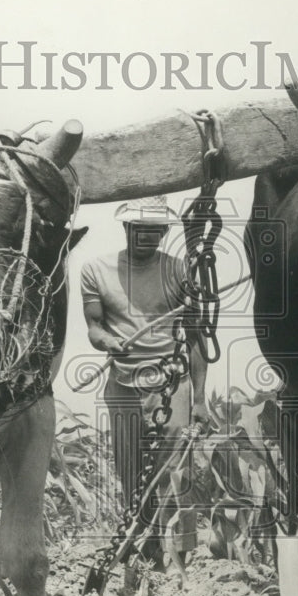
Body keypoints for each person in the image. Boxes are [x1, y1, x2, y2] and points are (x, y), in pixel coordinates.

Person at [80, 196, 208, 570]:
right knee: (131, 470)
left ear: (164, 232)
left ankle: (177, 556)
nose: (148, 237)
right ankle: (142, 547)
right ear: (126, 229)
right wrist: (107, 341)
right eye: (141, 230)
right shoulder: (95, 270)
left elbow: (197, 335)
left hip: (171, 384)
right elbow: (94, 327)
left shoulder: (180, 271)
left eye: (156, 231)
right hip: (122, 384)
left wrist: (199, 398)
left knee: (174, 470)